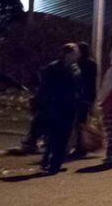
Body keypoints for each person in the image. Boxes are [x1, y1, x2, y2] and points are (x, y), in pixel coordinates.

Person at [36, 43, 82, 174]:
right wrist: (42, 102)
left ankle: (55, 163)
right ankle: (48, 161)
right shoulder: (54, 67)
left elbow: (78, 87)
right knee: (53, 134)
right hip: (55, 105)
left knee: (64, 135)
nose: (78, 55)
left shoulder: (75, 68)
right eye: (75, 52)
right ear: (68, 54)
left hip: (70, 106)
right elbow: (45, 86)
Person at [71, 41, 98, 158]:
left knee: (79, 123)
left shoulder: (79, 63)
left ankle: (80, 146)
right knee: (82, 122)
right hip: (87, 96)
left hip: (80, 96)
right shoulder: (92, 63)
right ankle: (81, 146)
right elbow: (92, 82)